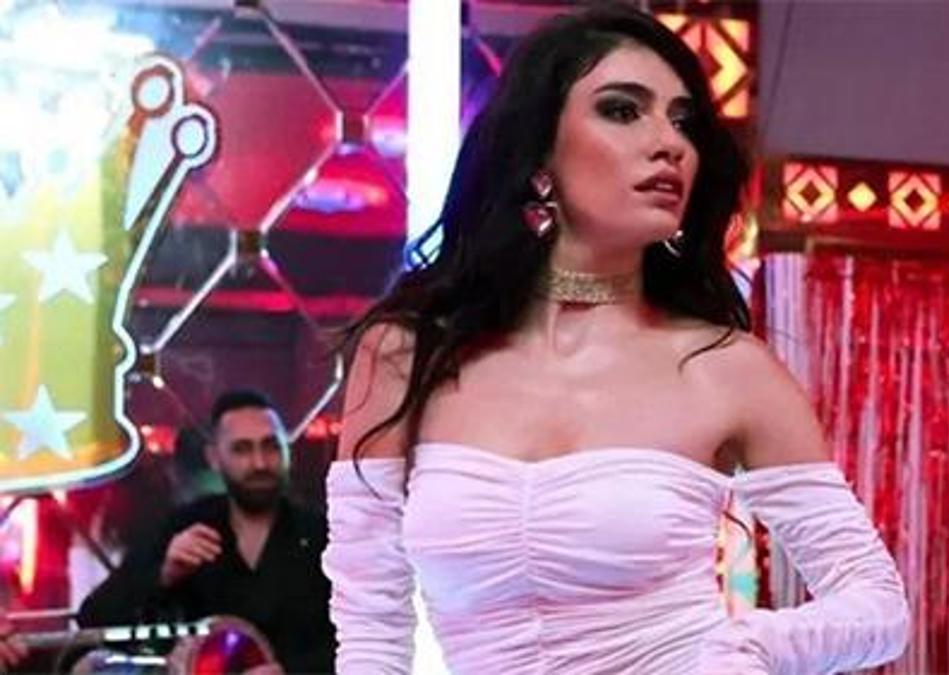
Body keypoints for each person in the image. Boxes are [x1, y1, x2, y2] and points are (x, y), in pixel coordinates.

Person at [322, 4, 910, 674]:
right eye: (623, 110)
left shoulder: (726, 368)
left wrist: (749, 645)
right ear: (540, 156)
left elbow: (878, 604)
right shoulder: (407, 353)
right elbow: (371, 626)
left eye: (682, 121)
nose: (669, 143)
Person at [78, 389, 335, 674]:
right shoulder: (186, 527)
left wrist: (291, 671)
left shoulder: (323, 535)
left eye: (271, 446)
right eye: (242, 449)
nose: (260, 463)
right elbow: (94, 617)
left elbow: (360, 637)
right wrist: (163, 573)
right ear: (214, 458)